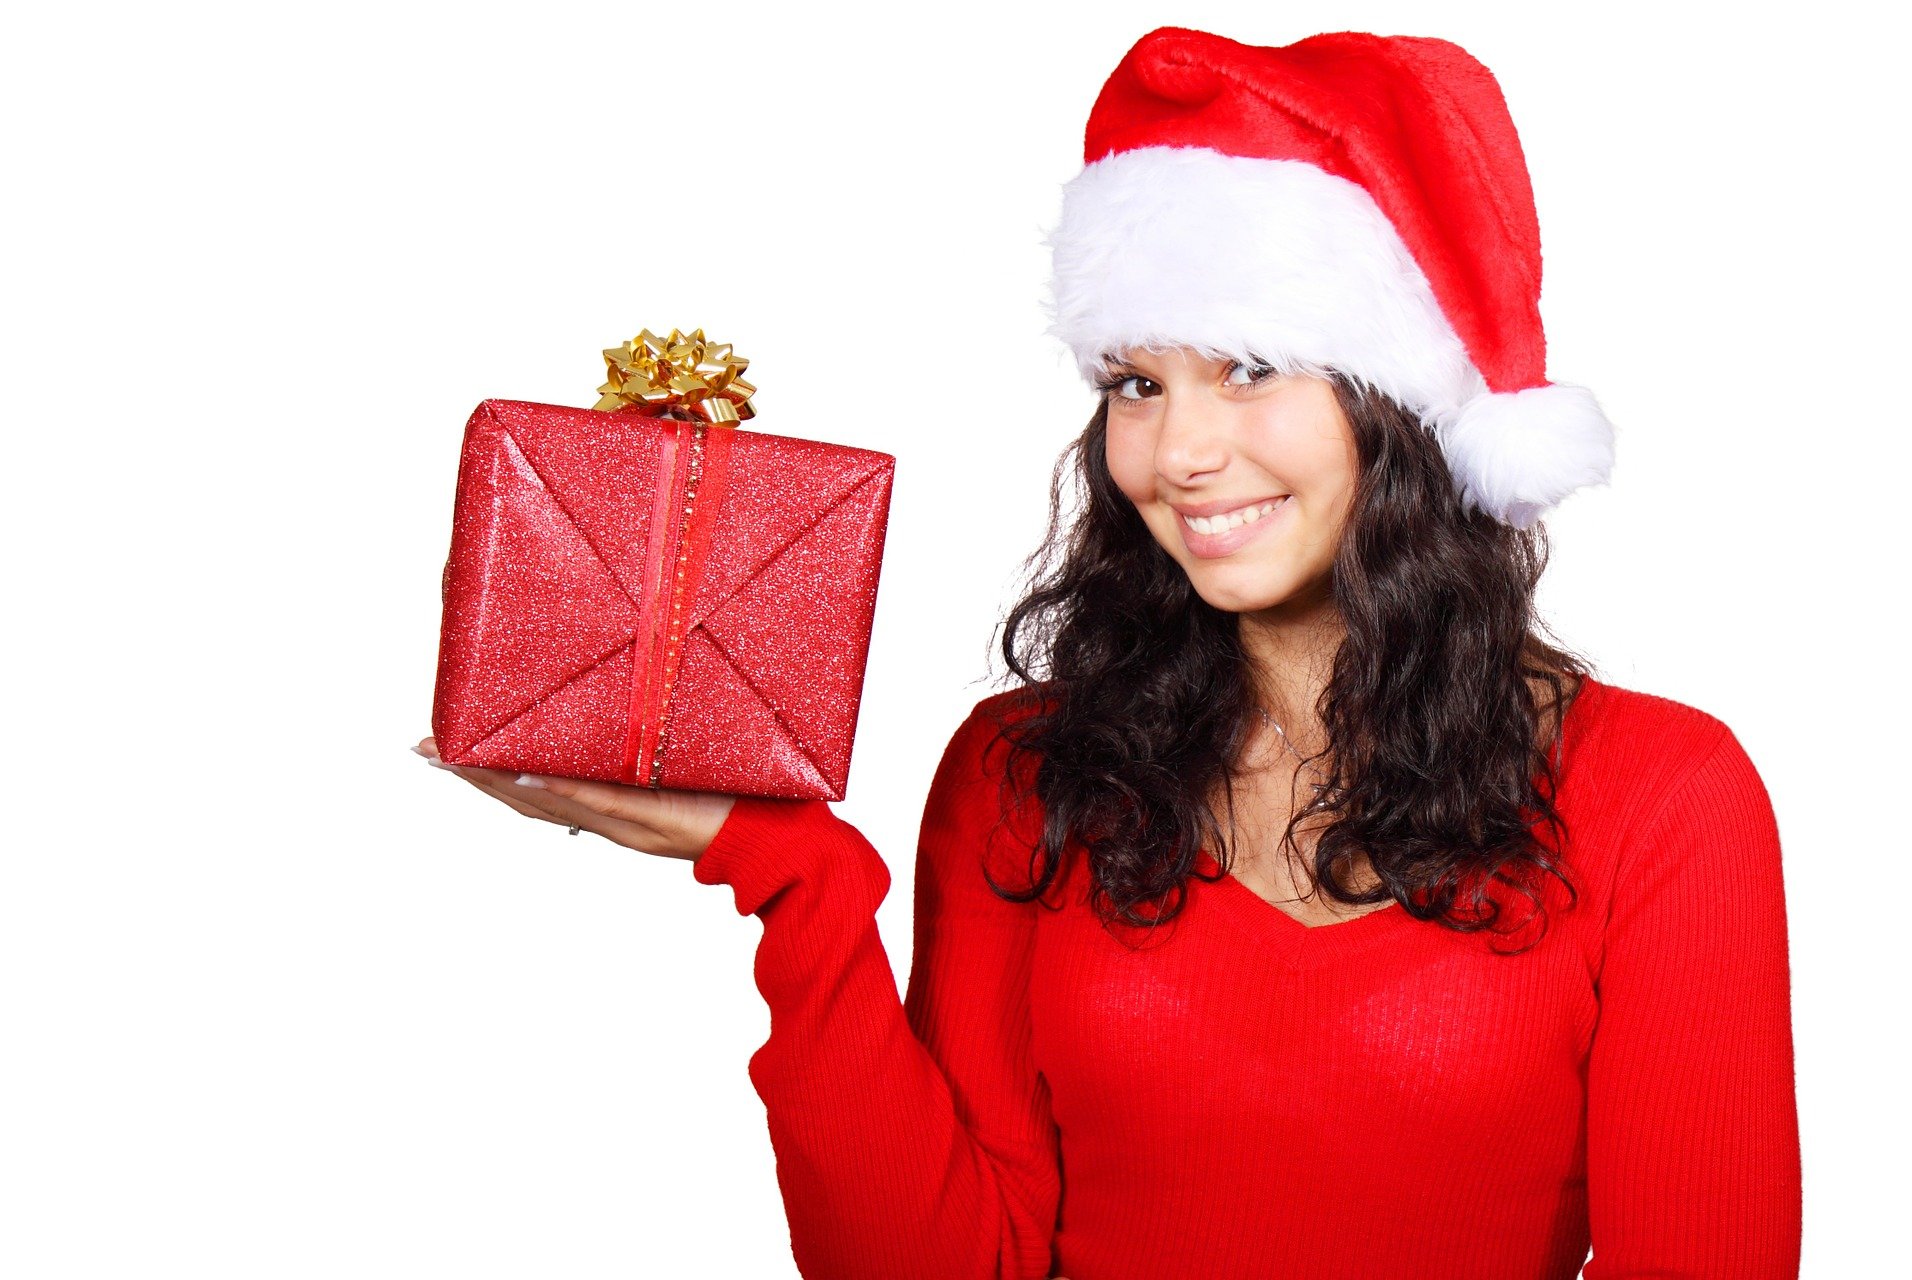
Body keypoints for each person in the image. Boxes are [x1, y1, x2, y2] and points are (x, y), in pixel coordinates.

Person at [414, 26, 1802, 1280]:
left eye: (1249, 367)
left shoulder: (1663, 796)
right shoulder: (1023, 772)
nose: (1177, 450)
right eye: (1135, 382)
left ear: (1413, 404)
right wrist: (793, 872)